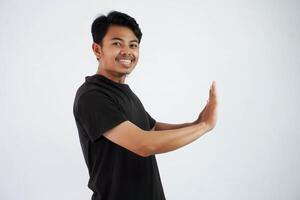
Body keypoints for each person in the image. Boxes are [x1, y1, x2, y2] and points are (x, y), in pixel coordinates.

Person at [73, 10, 218, 200]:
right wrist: (204, 127)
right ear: (97, 50)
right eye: (117, 43)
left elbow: (153, 129)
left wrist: (196, 122)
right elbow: (143, 144)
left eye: (133, 45)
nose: (127, 51)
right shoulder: (92, 96)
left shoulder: (126, 93)